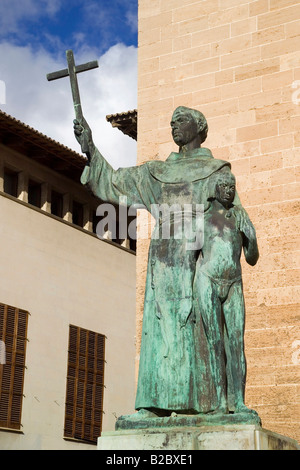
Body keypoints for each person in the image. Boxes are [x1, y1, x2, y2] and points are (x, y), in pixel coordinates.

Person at [74, 106, 243, 417]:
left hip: (198, 255)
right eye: (171, 121)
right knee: (159, 326)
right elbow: (113, 182)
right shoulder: (155, 173)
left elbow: (232, 218)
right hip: (162, 258)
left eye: (181, 120)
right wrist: (90, 146)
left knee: (197, 326)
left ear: (199, 127)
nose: (174, 125)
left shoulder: (217, 171)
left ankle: (205, 405)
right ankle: (154, 404)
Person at [193, 171, 259, 415]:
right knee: (215, 344)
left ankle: (238, 402)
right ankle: (220, 402)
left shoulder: (240, 215)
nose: (229, 190)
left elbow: (252, 258)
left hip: (234, 282)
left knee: (236, 343)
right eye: (224, 185)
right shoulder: (202, 218)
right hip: (207, 281)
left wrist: (251, 237)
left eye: (232, 186)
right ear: (215, 189)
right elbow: (191, 257)